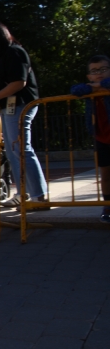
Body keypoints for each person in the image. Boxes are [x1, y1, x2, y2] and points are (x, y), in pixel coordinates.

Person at [0, 21, 48, 211]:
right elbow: (9, 84)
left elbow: (19, 82)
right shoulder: (6, 56)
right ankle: (23, 194)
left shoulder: (15, 52)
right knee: (13, 152)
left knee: (21, 150)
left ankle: (39, 196)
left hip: (21, 105)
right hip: (10, 108)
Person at [70, 55, 110, 223]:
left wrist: (100, 85)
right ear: (88, 76)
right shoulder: (88, 88)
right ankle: (107, 206)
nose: (98, 73)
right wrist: (93, 88)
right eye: (94, 71)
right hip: (101, 136)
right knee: (106, 173)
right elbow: (75, 90)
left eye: (103, 69)